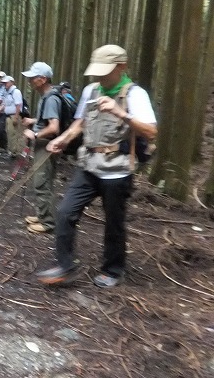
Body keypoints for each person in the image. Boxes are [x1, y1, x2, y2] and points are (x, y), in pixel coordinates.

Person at [38, 45, 157, 288]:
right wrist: (63, 139)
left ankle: (113, 269)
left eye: (106, 70)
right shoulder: (91, 90)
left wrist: (120, 112)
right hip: (89, 165)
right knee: (65, 212)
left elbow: (151, 131)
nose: (100, 76)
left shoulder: (135, 94)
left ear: (121, 67)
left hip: (117, 170)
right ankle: (65, 265)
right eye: (98, 71)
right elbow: (80, 122)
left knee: (114, 221)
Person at [21, 62, 61, 233]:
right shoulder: (46, 97)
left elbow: (54, 127)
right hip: (44, 145)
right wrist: (34, 121)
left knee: (41, 183)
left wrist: (35, 134)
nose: (30, 80)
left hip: (46, 146)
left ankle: (47, 223)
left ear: (43, 79)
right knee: (45, 182)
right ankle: (43, 214)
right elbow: (47, 120)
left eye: (33, 77)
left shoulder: (51, 98)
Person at [0, 76, 24, 156]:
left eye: (6, 83)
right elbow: (5, 104)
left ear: (12, 82)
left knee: (15, 134)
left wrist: (16, 117)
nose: (4, 84)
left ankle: (16, 152)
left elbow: (18, 104)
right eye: (4, 83)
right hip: (8, 116)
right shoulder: (7, 92)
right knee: (10, 134)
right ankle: (12, 151)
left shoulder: (16, 92)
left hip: (14, 116)